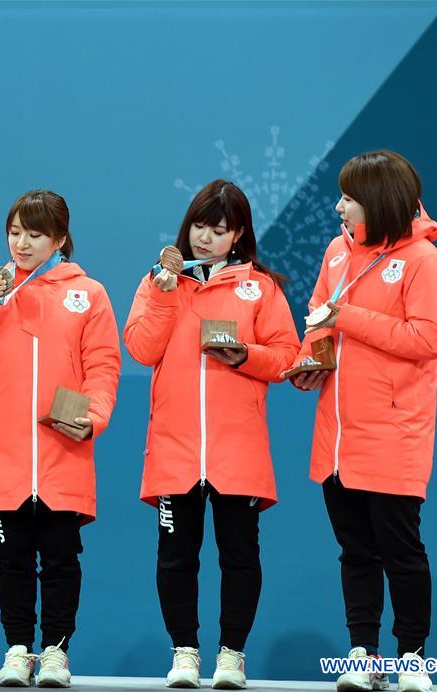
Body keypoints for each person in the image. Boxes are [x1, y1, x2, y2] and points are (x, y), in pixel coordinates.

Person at [286, 151, 437, 692]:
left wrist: (349, 317)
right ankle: (363, 655)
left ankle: (413, 659)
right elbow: (317, 316)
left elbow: (429, 338)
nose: (339, 207)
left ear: (378, 201)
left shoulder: (426, 262)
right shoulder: (337, 251)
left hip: (393, 435)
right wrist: (310, 361)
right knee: (356, 553)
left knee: (401, 554)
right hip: (337, 436)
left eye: (348, 198)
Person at [124, 180, 299, 689]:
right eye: (199, 226)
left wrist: (245, 355)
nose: (205, 238)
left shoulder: (260, 287)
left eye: (219, 230)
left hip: (237, 448)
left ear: (238, 234)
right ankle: (184, 653)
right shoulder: (159, 281)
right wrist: (163, 295)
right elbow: (140, 348)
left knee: (240, 555)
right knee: (175, 555)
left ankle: (231, 656)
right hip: (175, 446)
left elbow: (287, 356)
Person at [0, 189, 120, 688]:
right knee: (12, 560)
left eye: (35, 234)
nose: (21, 243)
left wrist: (94, 417)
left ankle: (56, 654)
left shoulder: (89, 293)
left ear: (60, 239)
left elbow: (103, 366)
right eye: (15, 232)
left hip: (64, 449)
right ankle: (18, 651)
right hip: (5, 454)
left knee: (62, 558)